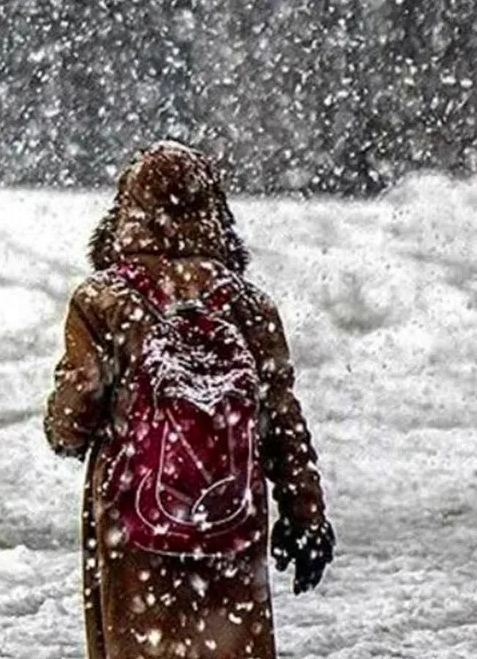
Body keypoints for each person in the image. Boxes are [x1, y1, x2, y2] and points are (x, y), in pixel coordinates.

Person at [44, 141, 334, 658]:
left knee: (143, 645)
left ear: (125, 211)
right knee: (226, 643)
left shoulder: (102, 301)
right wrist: (304, 511)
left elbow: (76, 410)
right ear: (215, 211)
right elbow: (282, 419)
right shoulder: (248, 306)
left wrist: (64, 430)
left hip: (134, 516)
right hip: (230, 513)